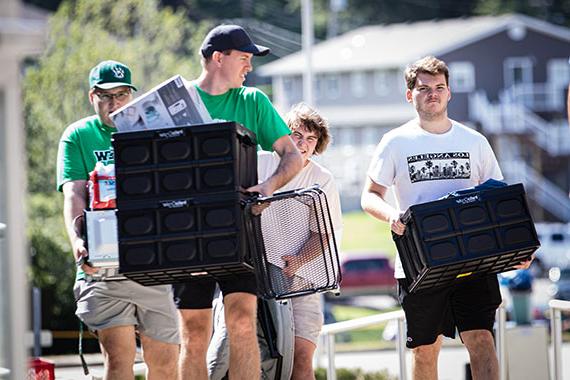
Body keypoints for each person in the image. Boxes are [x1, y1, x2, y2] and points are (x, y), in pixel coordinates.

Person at [360, 56, 533, 380]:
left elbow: (500, 201)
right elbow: (369, 195)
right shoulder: (395, 142)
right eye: (424, 88)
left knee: (481, 339)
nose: (432, 94)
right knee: (425, 349)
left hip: (474, 261)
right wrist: (392, 215)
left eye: (439, 87)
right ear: (409, 94)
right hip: (420, 265)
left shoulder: (474, 141)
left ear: (450, 92)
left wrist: (518, 251)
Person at [172, 25, 303, 380]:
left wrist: (268, 186)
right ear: (218, 58)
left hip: (239, 231)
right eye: (243, 58)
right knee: (194, 333)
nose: (249, 66)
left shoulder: (252, 101)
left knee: (243, 322)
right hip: (186, 236)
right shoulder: (177, 101)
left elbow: (293, 155)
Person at [56, 60, 180, 380]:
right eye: (106, 96)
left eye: (122, 94)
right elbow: (74, 194)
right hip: (104, 264)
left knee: (165, 361)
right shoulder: (79, 135)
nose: (114, 103)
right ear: (91, 97)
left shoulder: (150, 128)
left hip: (154, 262)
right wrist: (78, 243)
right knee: (119, 358)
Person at [257, 103, 343, 379]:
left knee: (302, 357)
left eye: (310, 138)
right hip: (260, 275)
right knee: (262, 358)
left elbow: (324, 232)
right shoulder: (261, 162)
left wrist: (299, 260)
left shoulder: (322, 178)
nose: (303, 143)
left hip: (304, 278)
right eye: (296, 135)